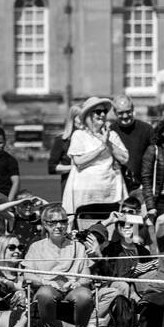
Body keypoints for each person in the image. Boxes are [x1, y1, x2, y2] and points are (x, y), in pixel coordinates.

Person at [22, 204, 94, 327]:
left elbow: (87, 277)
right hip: (48, 288)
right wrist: (45, 282)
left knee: (85, 295)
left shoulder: (78, 247)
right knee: (45, 293)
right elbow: (27, 275)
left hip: (72, 289)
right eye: (53, 222)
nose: (58, 226)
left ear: (67, 224)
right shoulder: (36, 247)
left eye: (62, 222)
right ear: (44, 225)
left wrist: (77, 282)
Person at [63, 97, 129, 228]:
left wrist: (108, 142)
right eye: (98, 112)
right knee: (87, 230)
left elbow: (124, 158)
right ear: (89, 115)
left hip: (110, 195)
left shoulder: (112, 135)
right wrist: (101, 148)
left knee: (110, 229)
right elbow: (79, 162)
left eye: (104, 111)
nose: (103, 114)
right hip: (86, 196)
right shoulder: (79, 135)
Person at [109, 95, 154, 201]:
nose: (125, 116)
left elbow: (155, 158)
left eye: (128, 111)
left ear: (133, 109)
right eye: (120, 113)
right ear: (115, 112)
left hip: (142, 187)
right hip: (117, 186)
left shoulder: (147, 130)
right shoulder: (110, 132)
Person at [48, 104, 82, 194]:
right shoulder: (61, 140)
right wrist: (74, 168)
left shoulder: (91, 138)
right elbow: (52, 167)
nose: (83, 121)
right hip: (69, 185)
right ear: (73, 118)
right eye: (80, 117)